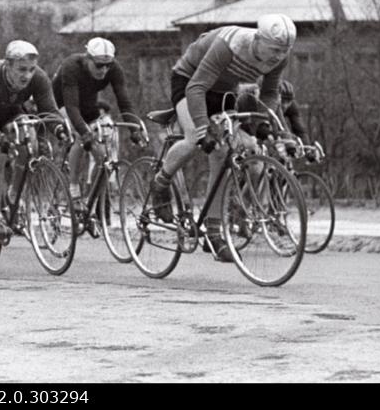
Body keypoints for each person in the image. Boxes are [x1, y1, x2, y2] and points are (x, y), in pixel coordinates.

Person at [149, 14, 297, 262]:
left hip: (223, 91)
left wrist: (262, 123)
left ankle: (214, 233)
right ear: (259, 39)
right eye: (274, 50)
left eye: (283, 52)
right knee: (194, 139)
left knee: (226, 153)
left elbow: (270, 93)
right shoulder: (230, 45)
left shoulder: (278, 58)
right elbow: (196, 88)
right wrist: (203, 128)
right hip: (190, 82)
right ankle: (160, 183)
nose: (277, 57)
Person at [0, 40, 69, 238]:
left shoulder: (39, 78)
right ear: (7, 65)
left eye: (31, 69)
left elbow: (49, 110)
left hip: (9, 107)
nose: (27, 75)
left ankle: (13, 193)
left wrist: (59, 128)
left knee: (29, 136)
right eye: (21, 69)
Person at [52, 37, 139, 205]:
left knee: (102, 157)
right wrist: (84, 133)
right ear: (87, 58)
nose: (104, 70)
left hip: (87, 102)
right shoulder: (72, 66)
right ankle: (74, 187)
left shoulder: (114, 69)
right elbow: (71, 107)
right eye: (99, 65)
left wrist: (134, 128)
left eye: (108, 65)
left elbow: (124, 101)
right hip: (61, 102)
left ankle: (91, 201)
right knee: (79, 135)